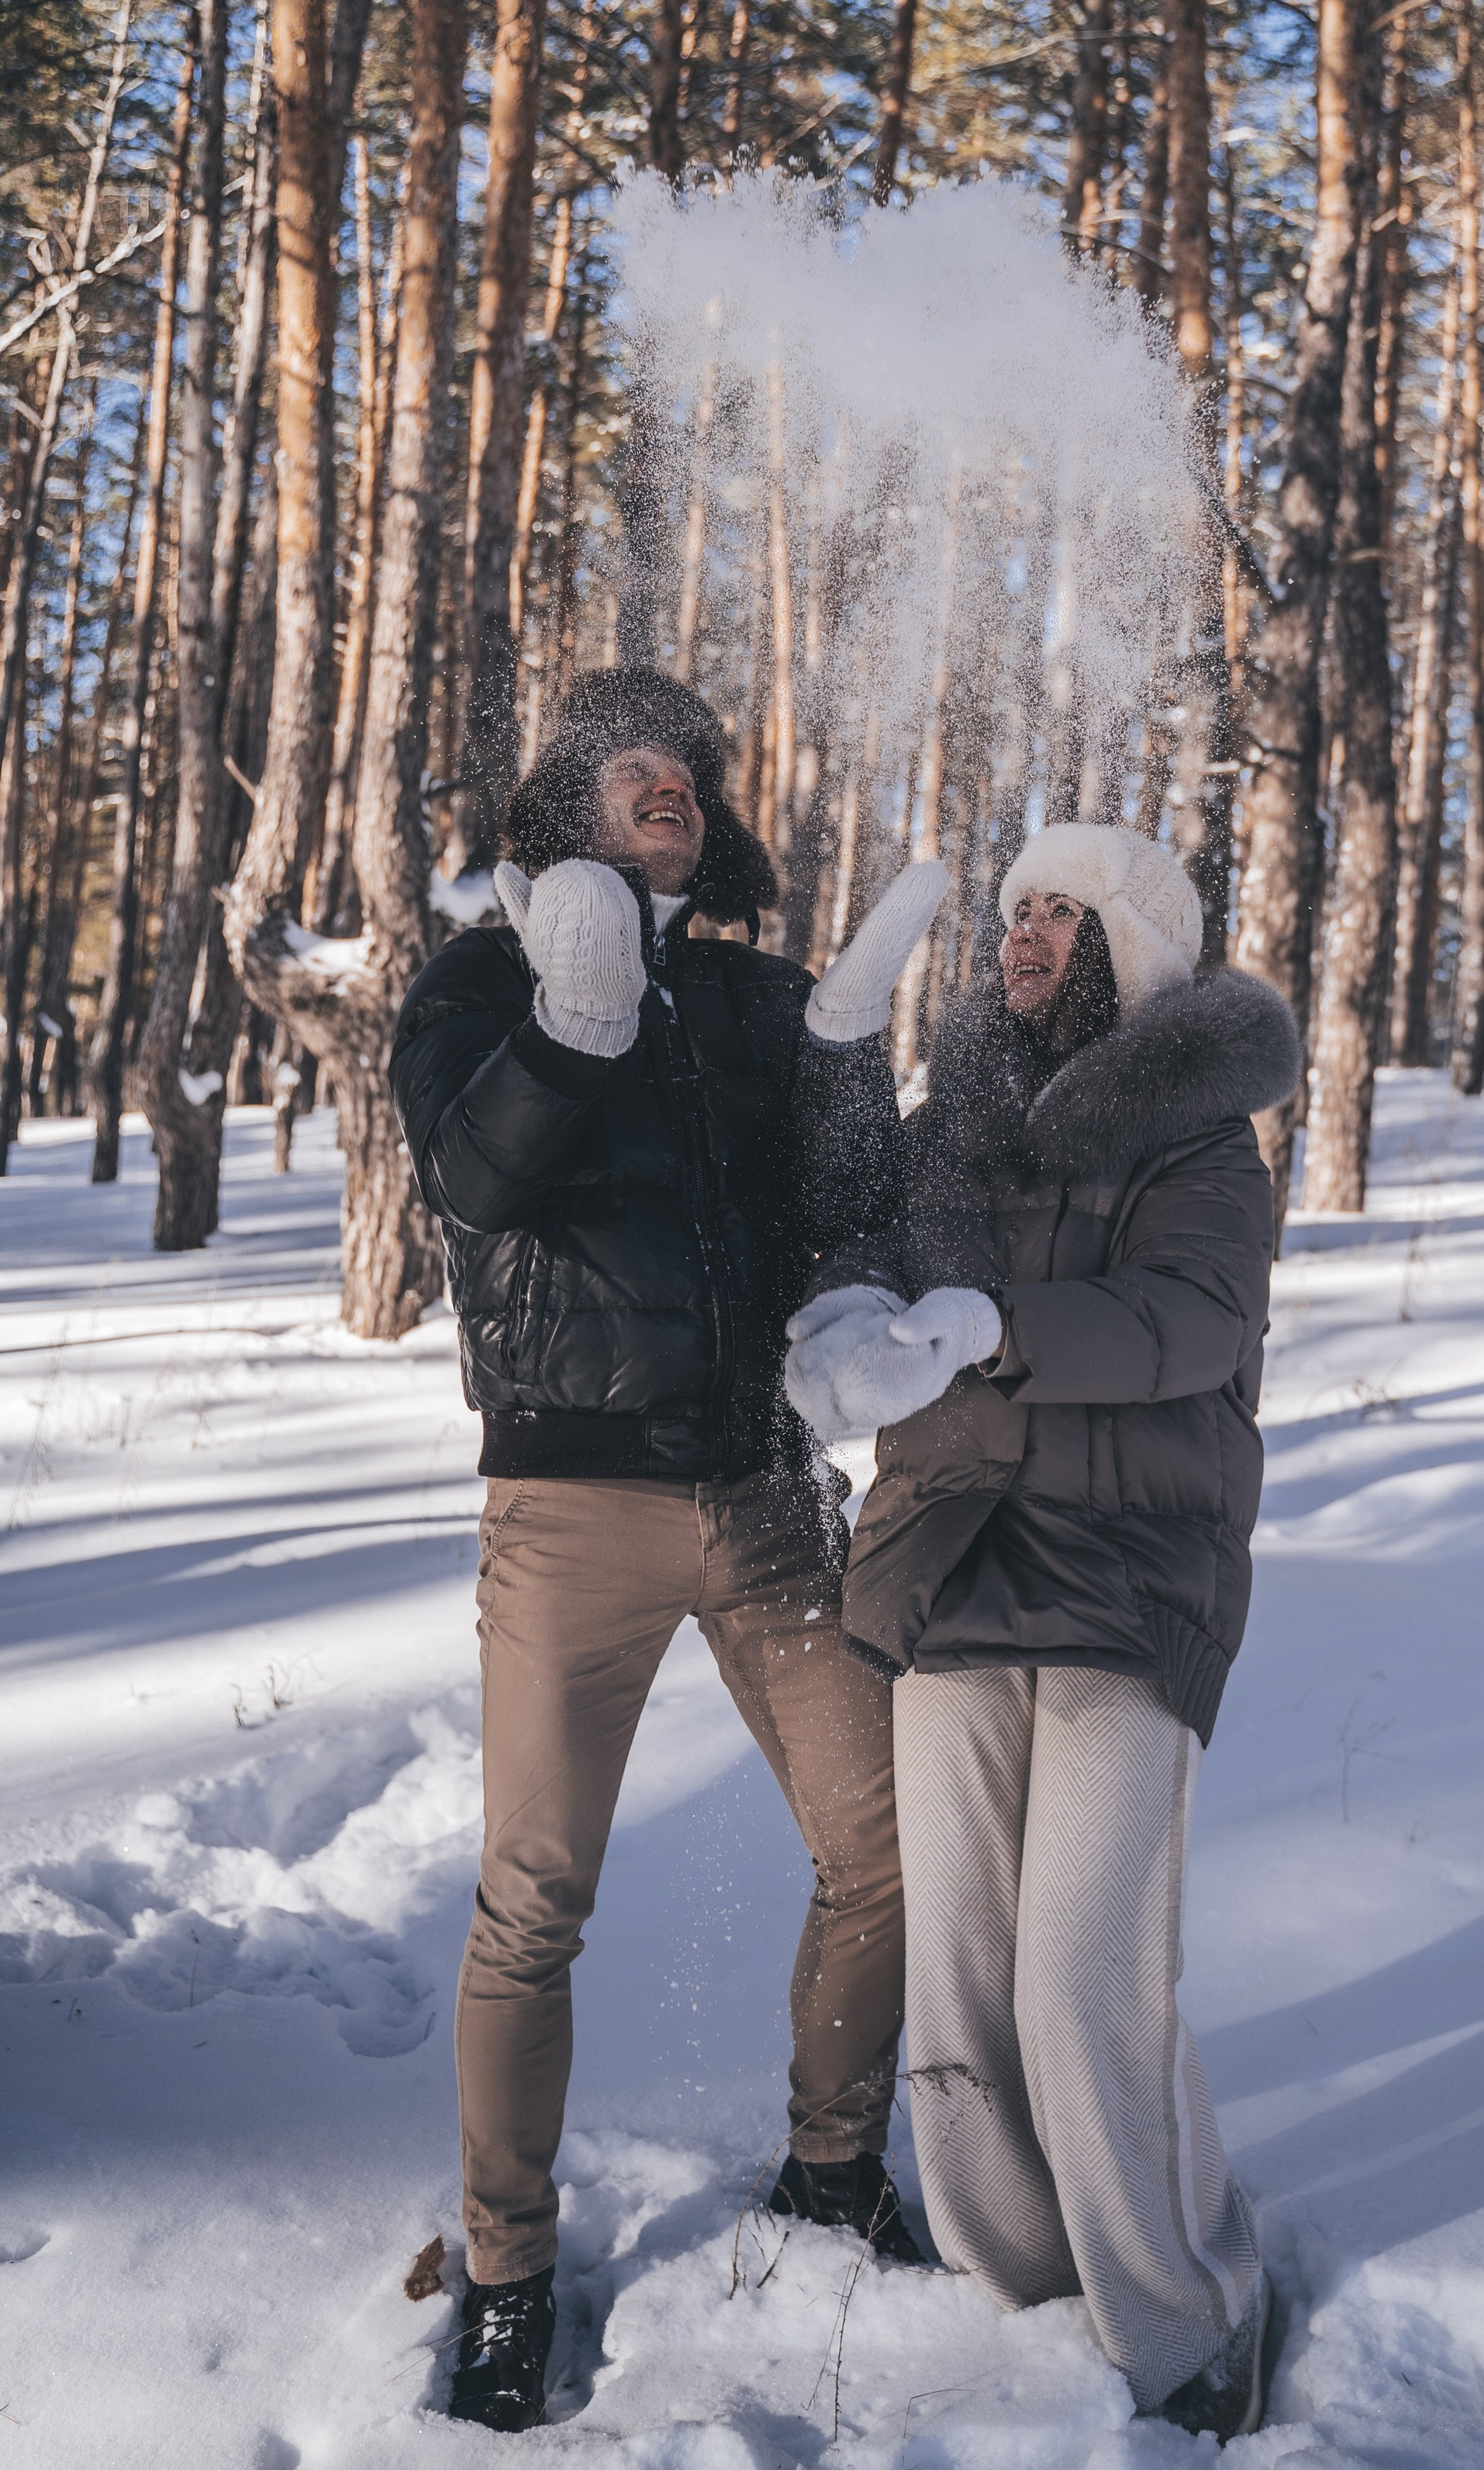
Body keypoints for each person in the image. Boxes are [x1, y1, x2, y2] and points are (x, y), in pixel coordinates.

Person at [391, 668, 947, 2434]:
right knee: (529, 1906)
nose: (671, 786)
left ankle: (832, 2173)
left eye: (689, 771)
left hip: (773, 1498)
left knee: (889, 1850)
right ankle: (503, 2272)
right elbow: (475, 1187)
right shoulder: (475, 981)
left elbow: (846, 1211)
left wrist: (849, 1051)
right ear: (559, 810)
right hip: (573, 1509)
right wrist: (568, 1024)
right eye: (630, 767)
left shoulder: (745, 995)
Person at [785, 821, 1299, 2443]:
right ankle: (1014, 2289)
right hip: (951, 1565)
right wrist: (845, 1328)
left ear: (1131, 949)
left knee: (1087, 1976)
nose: (1023, 938)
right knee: (962, 1974)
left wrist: (994, 1327)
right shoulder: (966, 1119)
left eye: (1062, 916)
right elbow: (868, 1230)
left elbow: (1186, 1322)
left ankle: (1189, 2311)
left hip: (1127, 1583)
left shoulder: (1203, 1145)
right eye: (1017, 912)